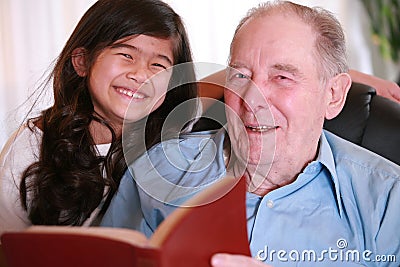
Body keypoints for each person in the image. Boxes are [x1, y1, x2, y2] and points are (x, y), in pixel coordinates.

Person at [101, 1, 400, 266]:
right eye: (240, 76)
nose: (252, 99)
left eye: (282, 78)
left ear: (333, 95)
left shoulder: (388, 199)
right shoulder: (159, 169)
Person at [0, 0, 198, 237]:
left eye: (158, 65)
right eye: (126, 55)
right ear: (82, 61)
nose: (141, 75)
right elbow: (9, 248)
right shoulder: (31, 149)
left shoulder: (181, 141)